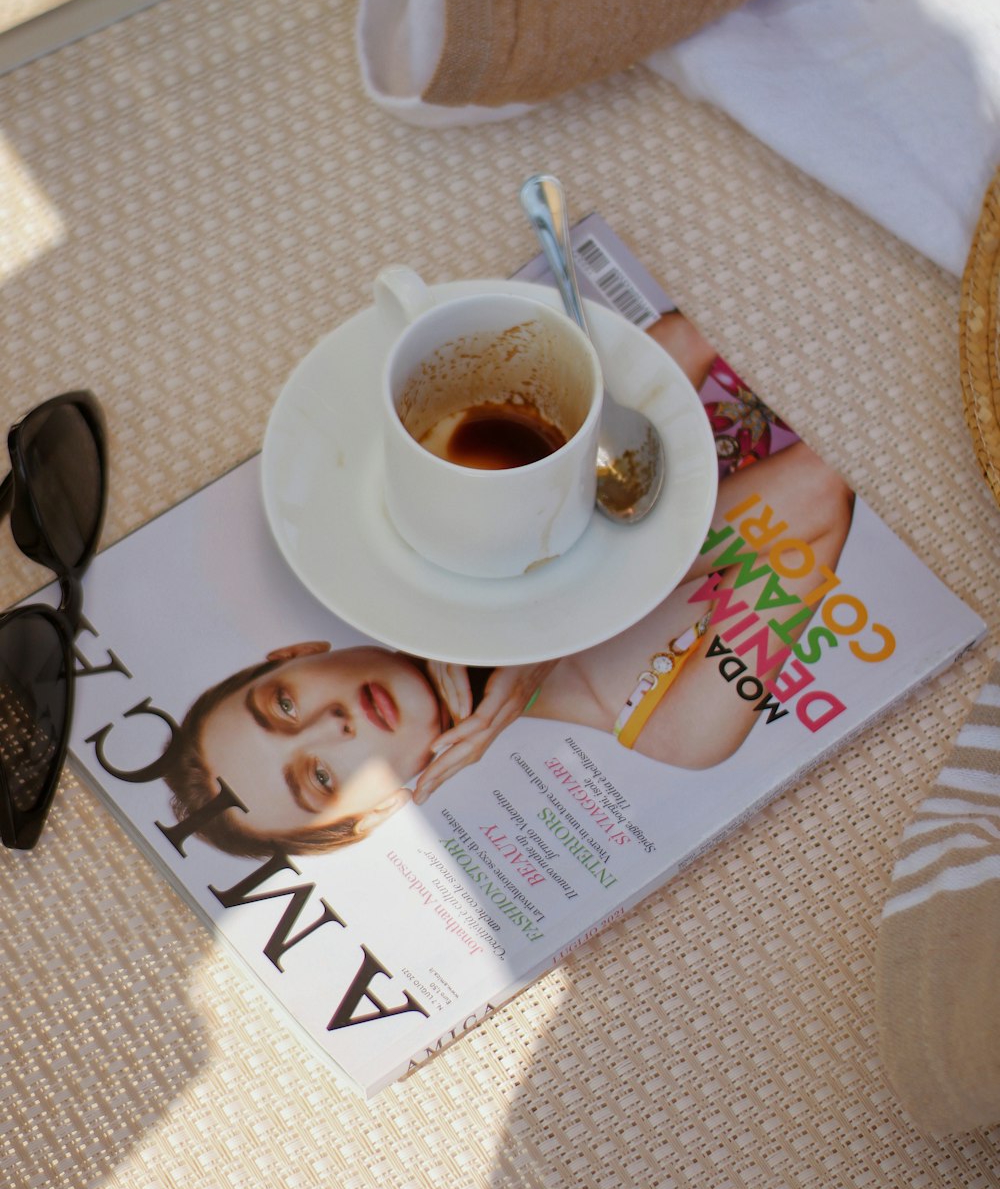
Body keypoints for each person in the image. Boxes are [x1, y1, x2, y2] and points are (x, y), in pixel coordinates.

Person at [164, 308, 854, 859]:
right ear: (375, 814)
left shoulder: (405, 502)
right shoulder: (679, 730)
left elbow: (691, 328)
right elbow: (824, 485)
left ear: (295, 654)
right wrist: (554, 629)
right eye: (319, 777)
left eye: (284, 704)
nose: (332, 724)